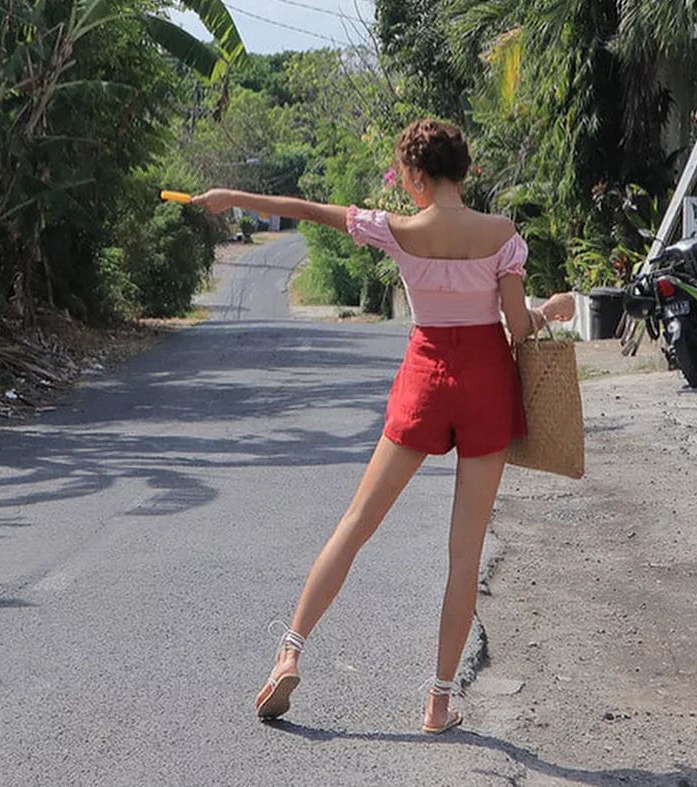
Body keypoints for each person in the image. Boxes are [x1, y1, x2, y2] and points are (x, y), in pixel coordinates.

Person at [191, 118, 574, 733]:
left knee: (355, 524)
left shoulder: (397, 229)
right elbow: (515, 328)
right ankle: (438, 702)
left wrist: (233, 198)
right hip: (486, 387)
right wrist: (546, 308)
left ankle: (290, 648)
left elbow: (306, 209)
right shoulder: (502, 235)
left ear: (417, 177)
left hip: (426, 380)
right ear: (465, 171)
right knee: (464, 553)